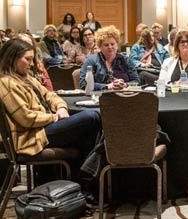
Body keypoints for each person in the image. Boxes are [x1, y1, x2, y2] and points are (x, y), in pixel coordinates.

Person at [0, 39, 101, 179]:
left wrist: (60, 108)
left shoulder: (27, 78)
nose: (31, 64)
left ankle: (81, 182)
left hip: (44, 128)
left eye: (32, 59)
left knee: (87, 132)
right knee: (91, 117)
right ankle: (86, 180)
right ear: (12, 59)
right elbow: (26, 118)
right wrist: (54, 117)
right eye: (27, 59)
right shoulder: (6, 83)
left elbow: (50, 95)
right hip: (31, 136)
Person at [77, 26, 137, 90]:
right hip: (100, 97)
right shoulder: (91, 61)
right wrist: (107, 86)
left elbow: (136, 81)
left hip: (124, 96)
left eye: (112, 44)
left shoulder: (126, 60)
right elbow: (83, 84)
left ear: (117, 45)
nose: (110, 47)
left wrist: (125, 84)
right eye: (106, 45)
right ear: (100, 47)